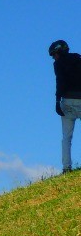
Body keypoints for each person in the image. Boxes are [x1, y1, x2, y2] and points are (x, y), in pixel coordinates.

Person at [49, 39, 81, 173]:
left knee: (66, 137)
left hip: (67, 101)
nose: (53, 57)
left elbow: (60, 82)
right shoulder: (78, 59)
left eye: (54, 54)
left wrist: (57, 101)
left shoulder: (58, 64)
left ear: (59, 52)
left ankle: (66, 168)